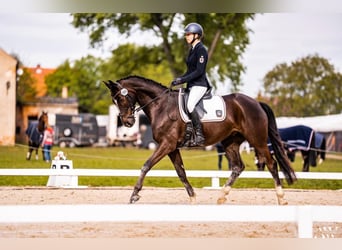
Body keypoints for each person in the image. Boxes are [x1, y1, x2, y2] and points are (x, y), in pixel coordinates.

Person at [171, 22, 211, 146]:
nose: (186, 37)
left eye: (189, 34)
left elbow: (199, 71)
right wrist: (179, 79)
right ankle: (188, 132)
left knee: (190, 105)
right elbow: (189, 71)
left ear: (197, 35)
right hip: (192, 85)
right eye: (186, 35)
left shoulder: (201, 50)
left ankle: (199, 135)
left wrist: (183, 80)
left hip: (200, 85)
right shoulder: (192, 50)